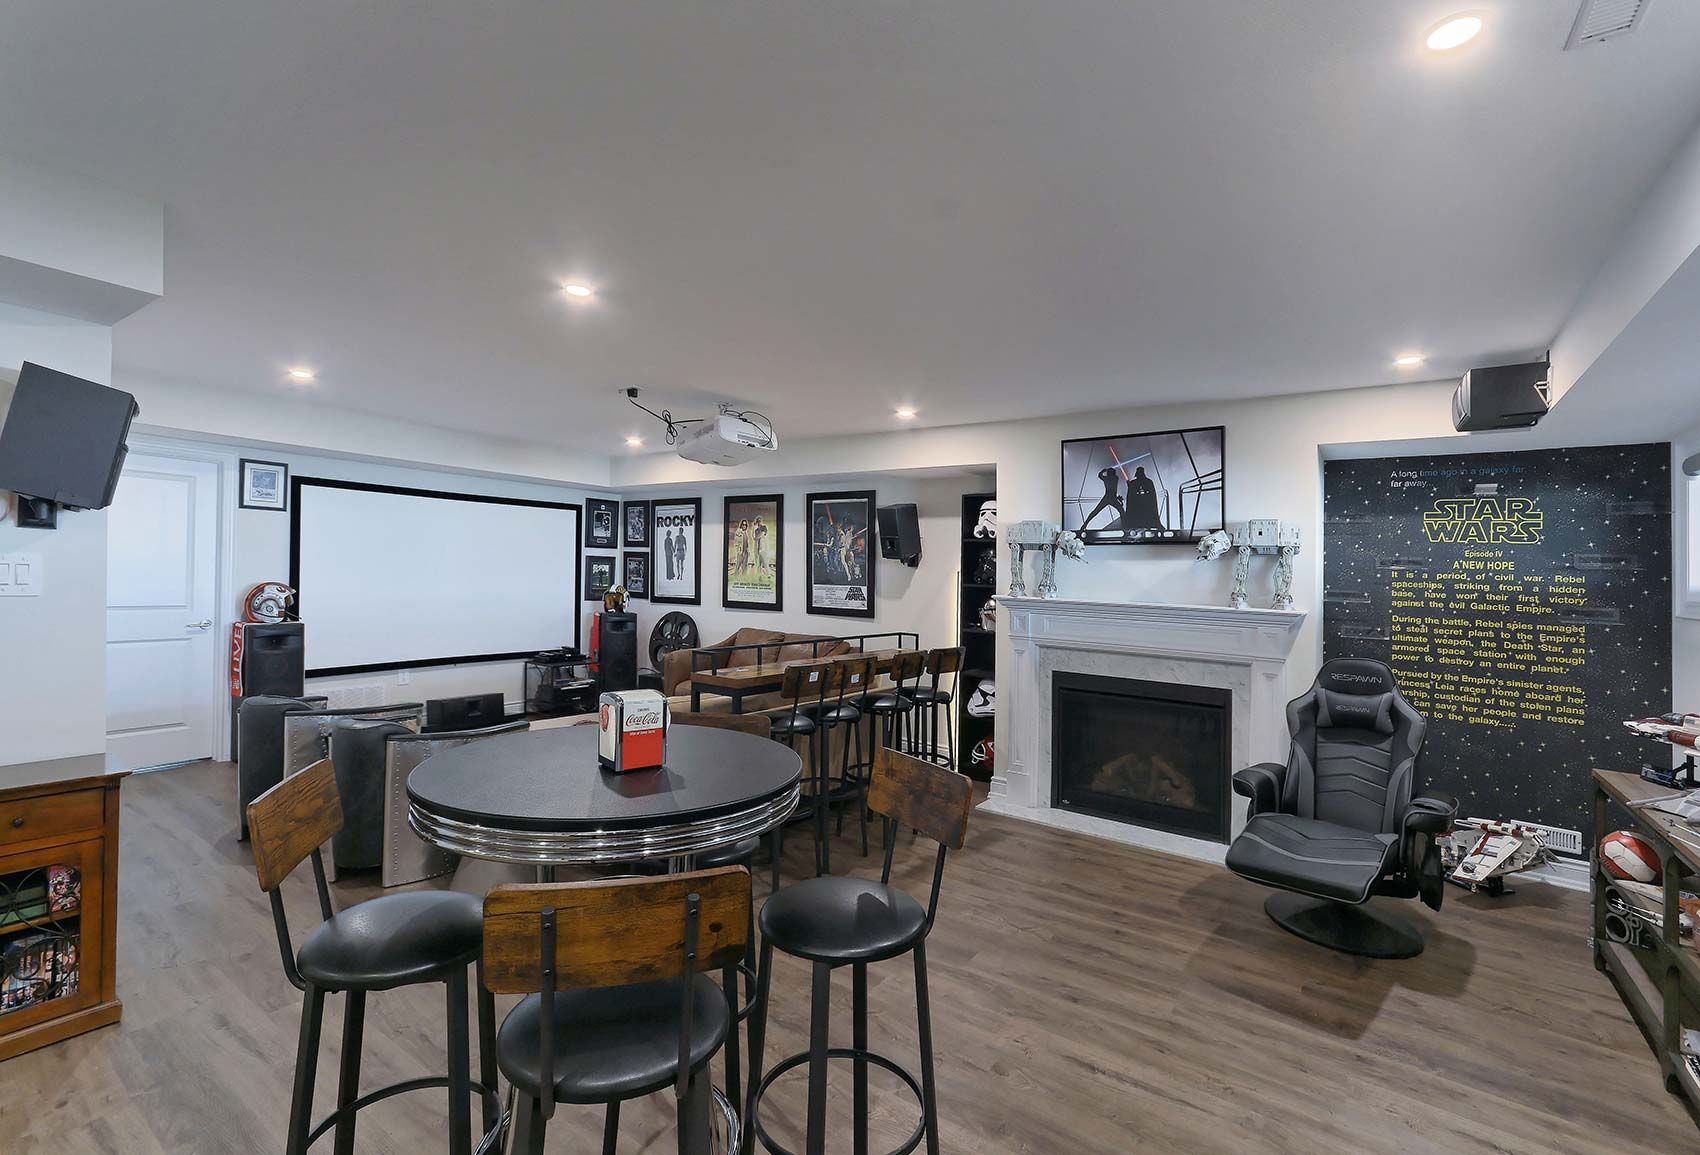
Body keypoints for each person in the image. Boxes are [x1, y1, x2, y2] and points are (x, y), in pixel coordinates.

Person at [1080, 465, 1126, 535]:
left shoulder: (1106, 478)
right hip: (1113, 498)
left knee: (1095, 511)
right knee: (1121, 511)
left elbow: (1100, 475)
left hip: (1106, 497)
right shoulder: (1115, 478)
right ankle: (1124, 526)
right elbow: (1113, 489)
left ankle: (1084, 525)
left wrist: (1103, 471)